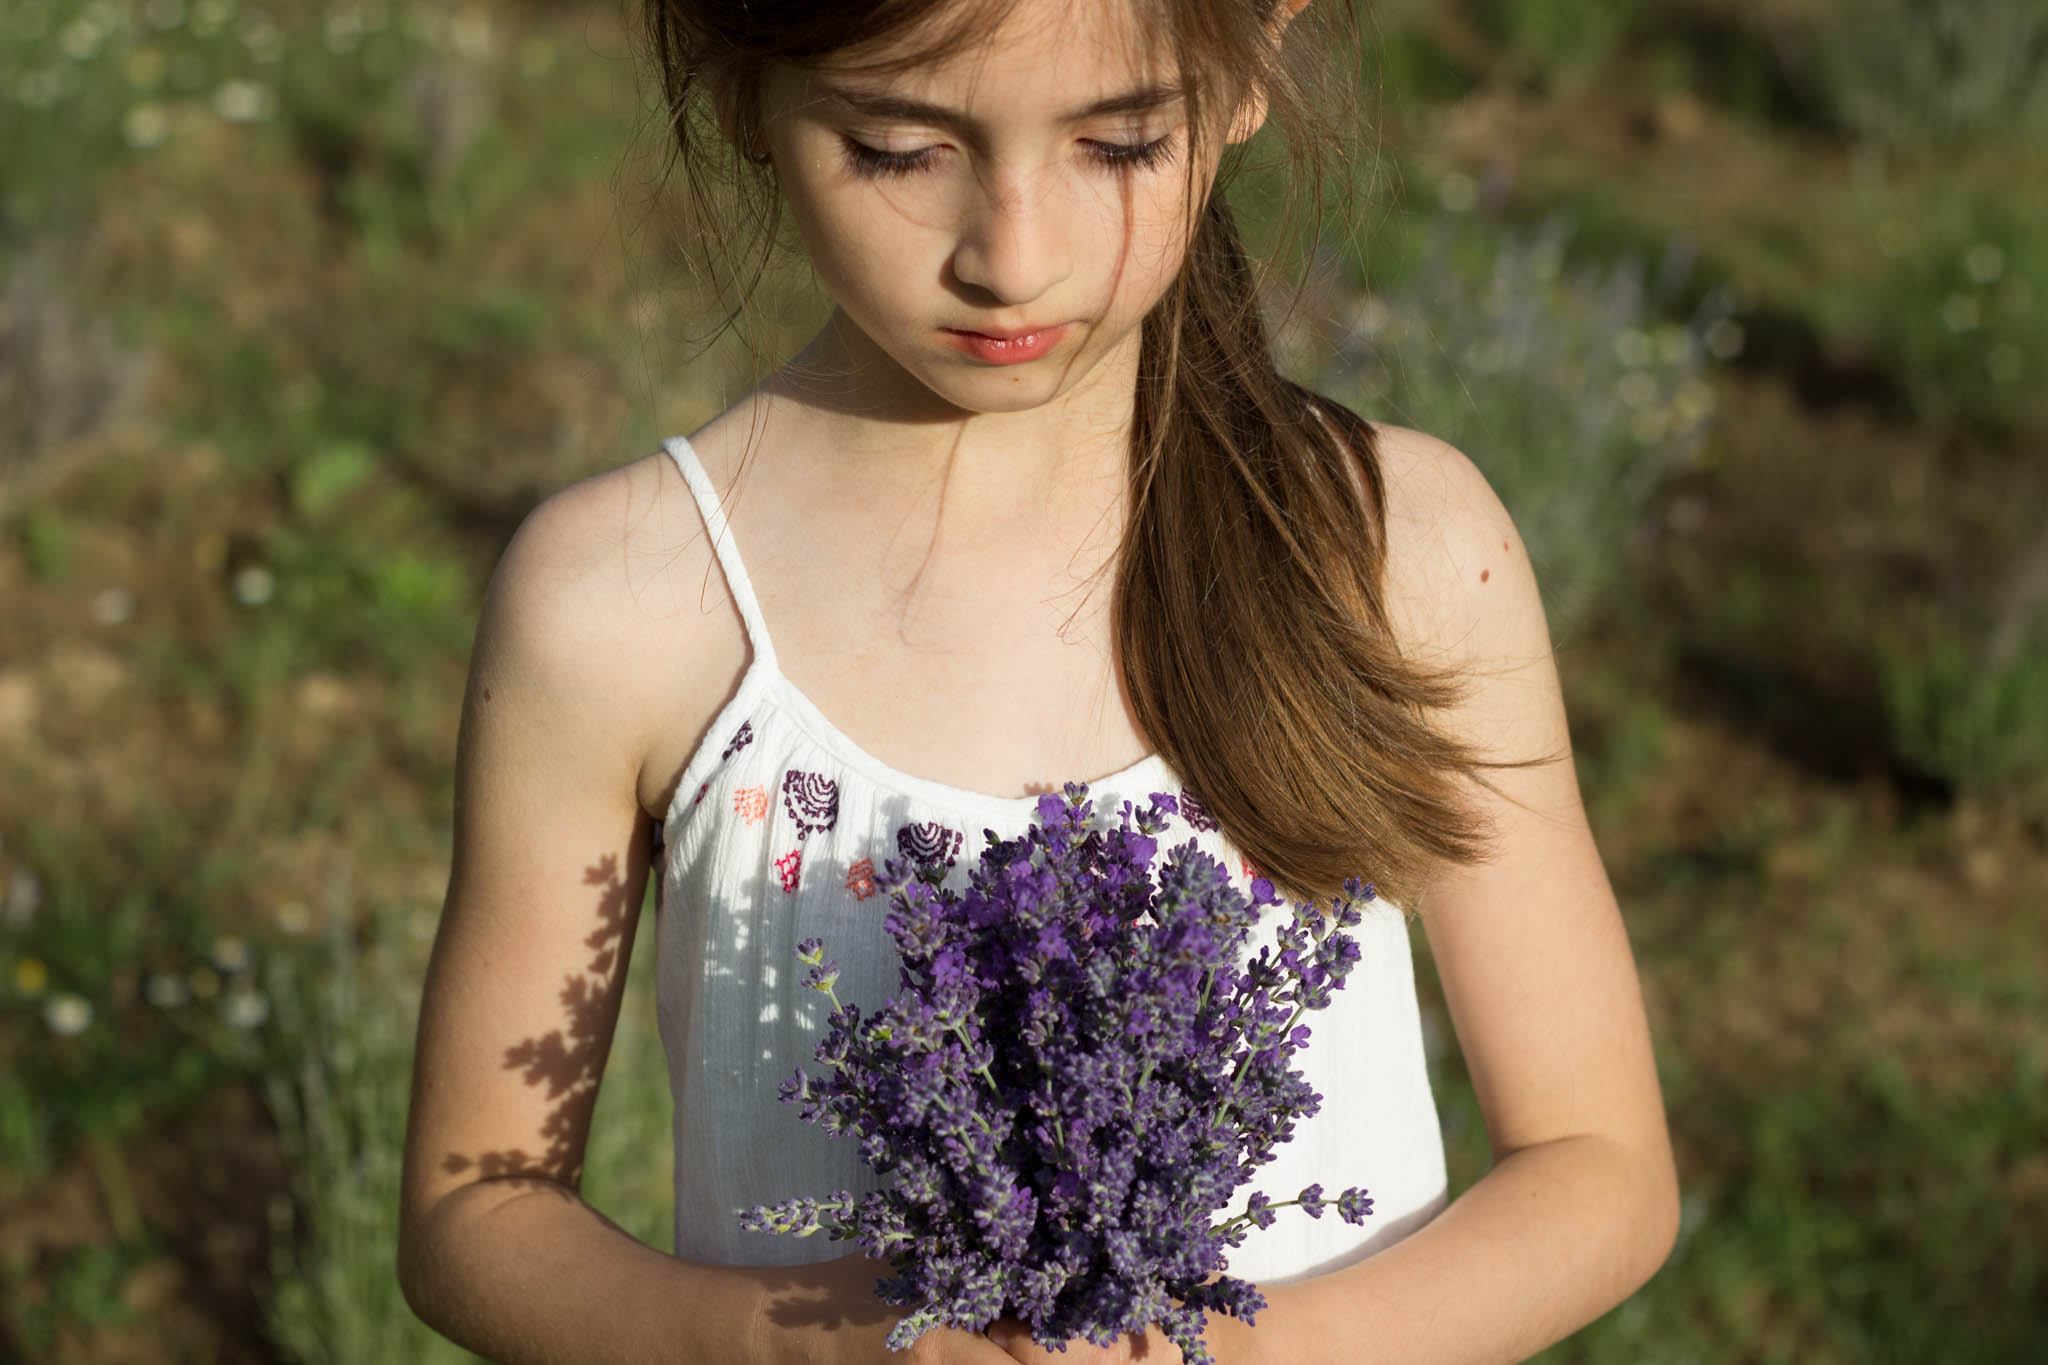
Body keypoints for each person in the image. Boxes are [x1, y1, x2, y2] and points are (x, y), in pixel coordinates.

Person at [396, 0, 1680, 1360]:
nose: (1013, 255)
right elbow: (472, 1213)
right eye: (897, 148)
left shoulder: (1391, 547)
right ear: (739, 94)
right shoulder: (632, 600)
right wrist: (816, 1343)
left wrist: (1240, 1351)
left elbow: (1598, 1161)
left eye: (1119, 142)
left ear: (1249, 69)